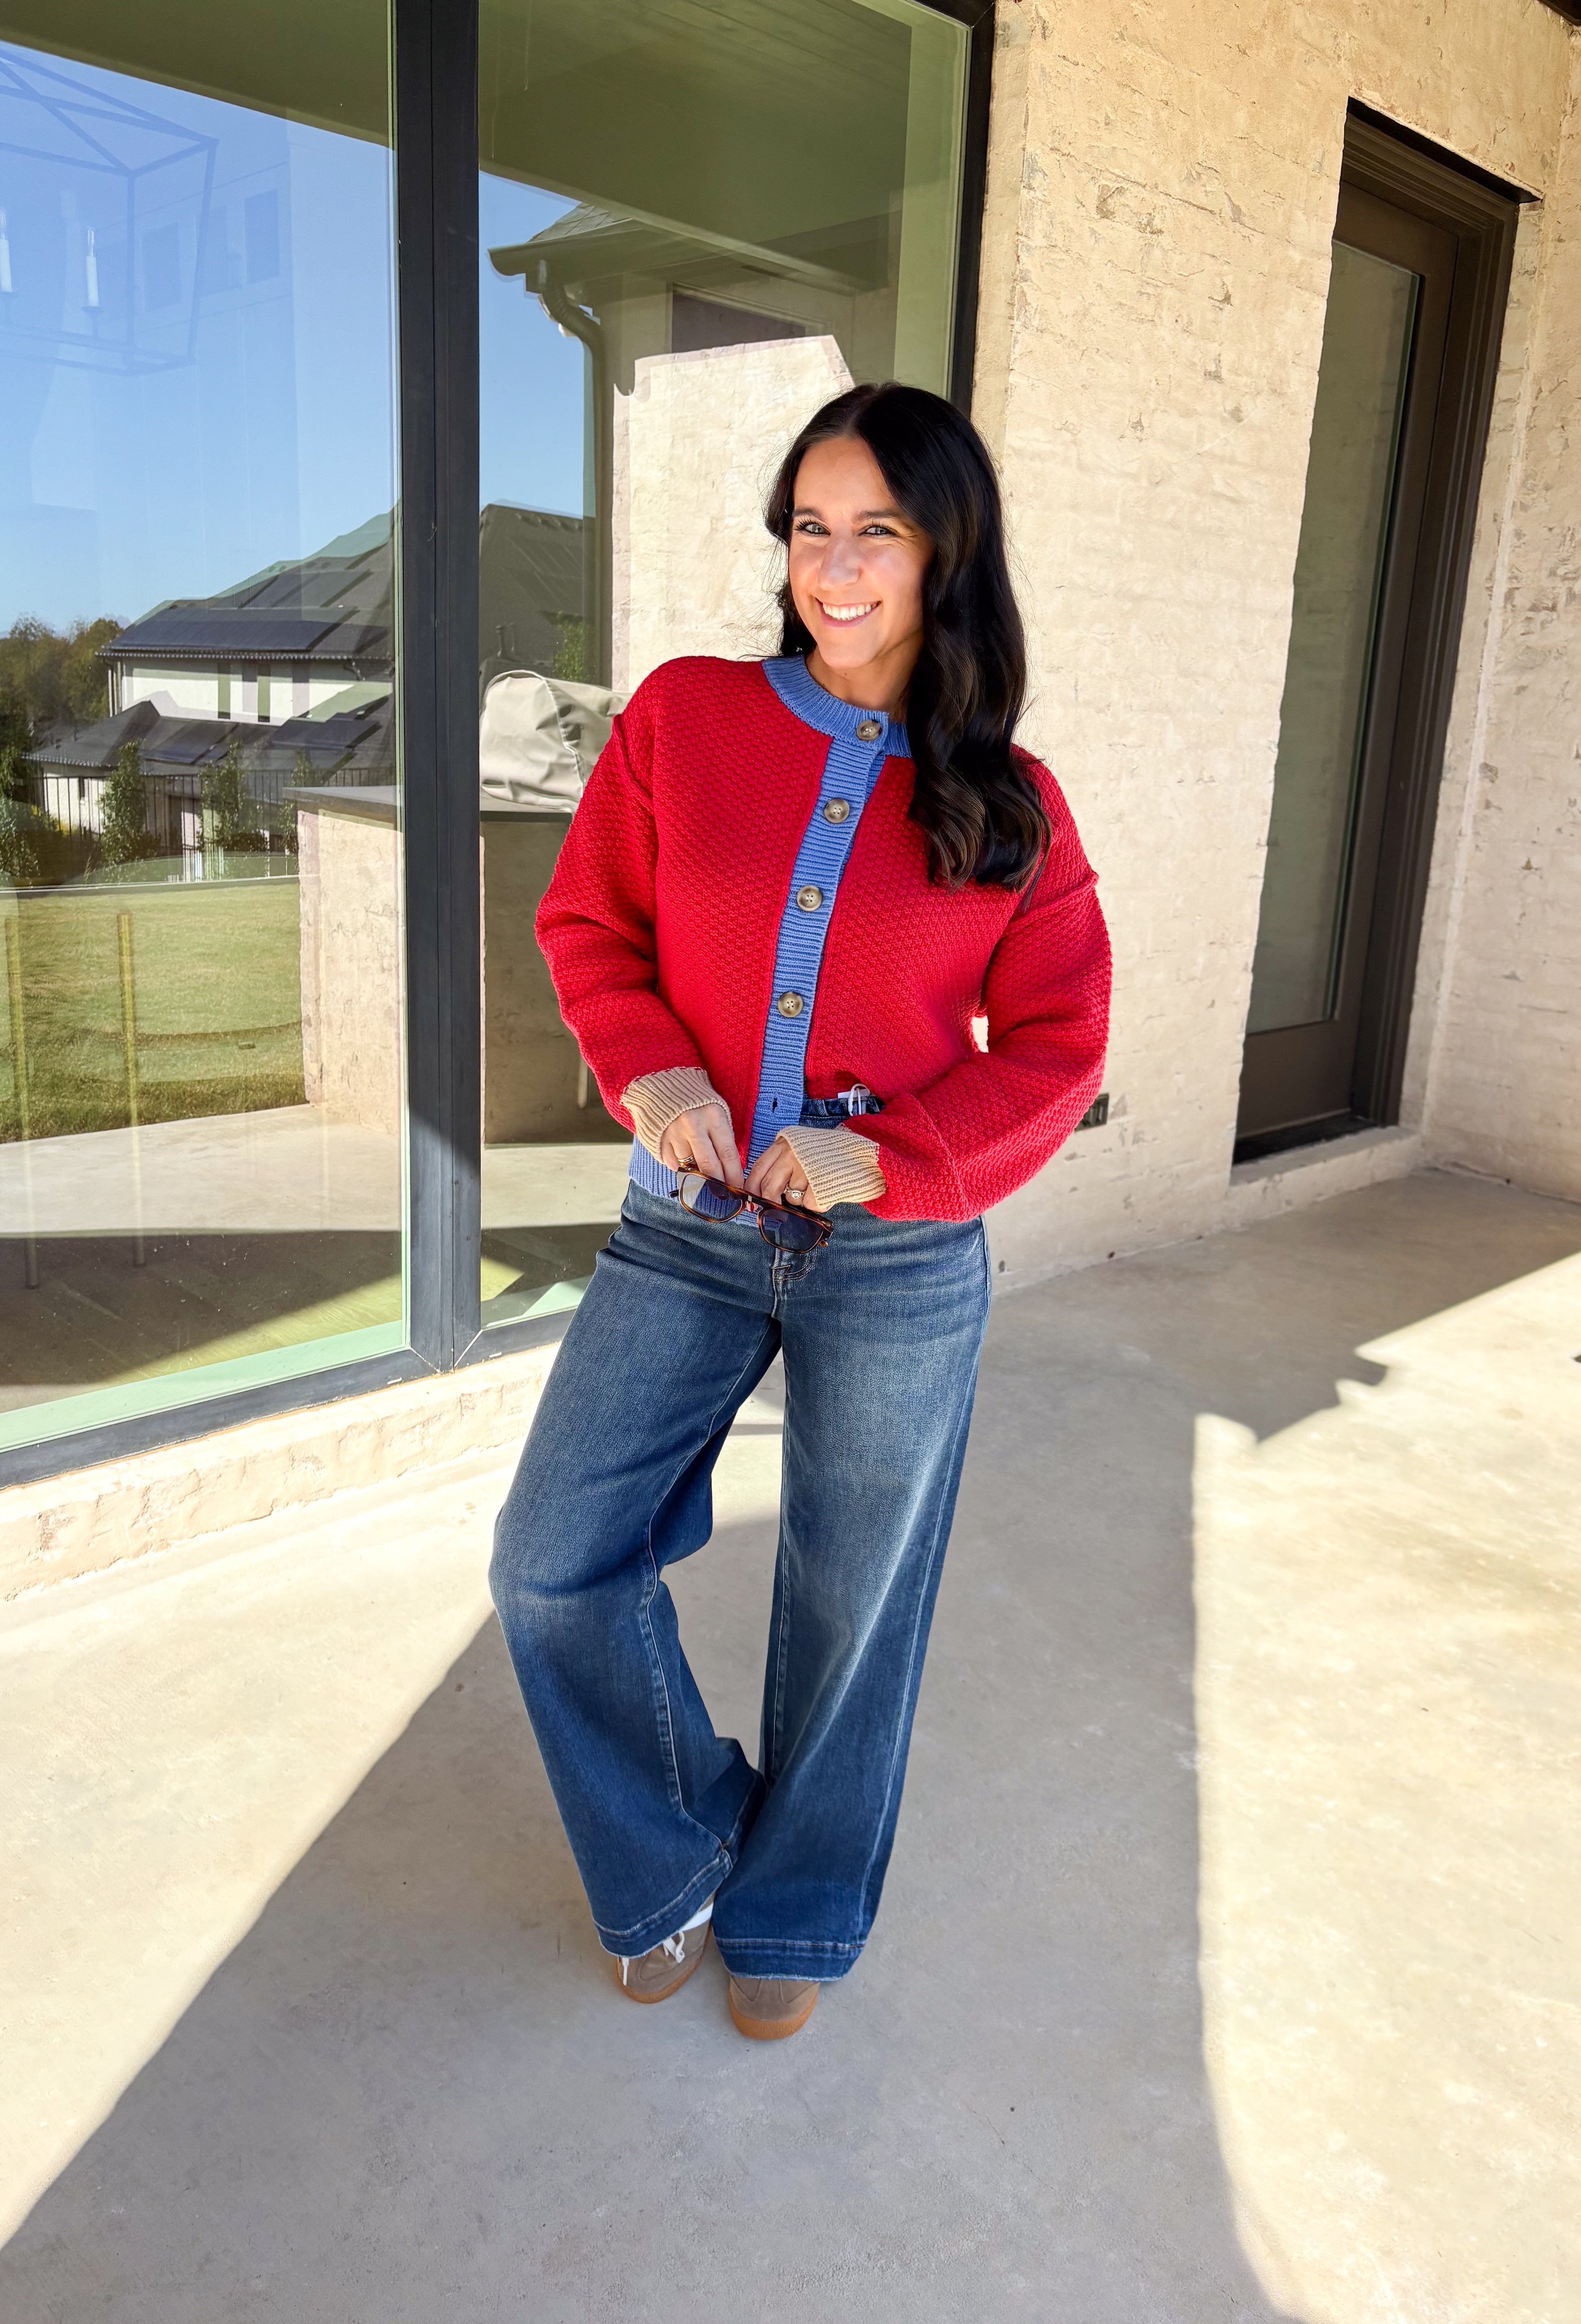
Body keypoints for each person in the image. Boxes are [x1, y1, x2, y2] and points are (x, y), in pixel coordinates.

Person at [489, 381, 1110, 2042]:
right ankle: (675, 1844)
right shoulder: (685, 719)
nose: (834, 569)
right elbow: (589, 925)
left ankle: (800, 1907)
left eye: (876, 533)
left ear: (946, 554)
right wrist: (654, 1075)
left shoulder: (1012, 802)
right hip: (684, 1231)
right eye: (809, 530)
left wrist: (889, 1155)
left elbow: (1060, 1043)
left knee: (853, 1604)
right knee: (551, 1562)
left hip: (896, 1260)